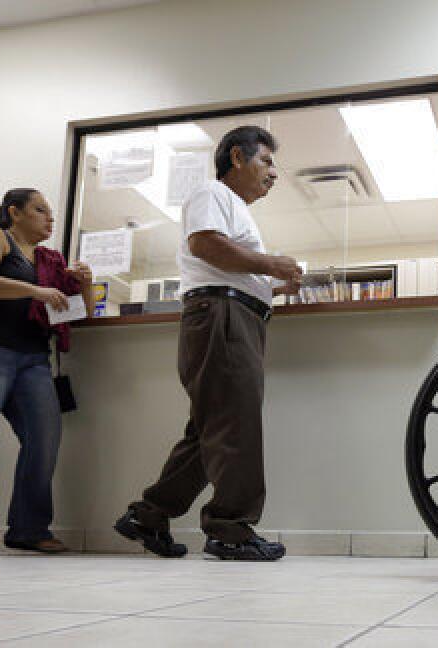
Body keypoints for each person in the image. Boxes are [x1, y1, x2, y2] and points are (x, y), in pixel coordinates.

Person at [114, 125, 303, 561]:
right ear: (237, 157)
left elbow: (224, 266)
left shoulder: (232, 206)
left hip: (229, 314)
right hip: (222, 317)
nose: (274, 173)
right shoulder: (212, 193)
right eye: (267, 162)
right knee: (235, 424)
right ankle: (229, 529)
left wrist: (270, 288)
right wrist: (272, 264)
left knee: (209, 433)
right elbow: (206, 247)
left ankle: (149, 515)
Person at [0, 188, 95, 555]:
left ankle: (29, 529)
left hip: (31, 357)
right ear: (13, 212)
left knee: (44, 441)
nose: (49, 218)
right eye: (40, 210)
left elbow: (80, 313)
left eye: (51, 212)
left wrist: (85, 285)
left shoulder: (50, 259)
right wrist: (35, 290)